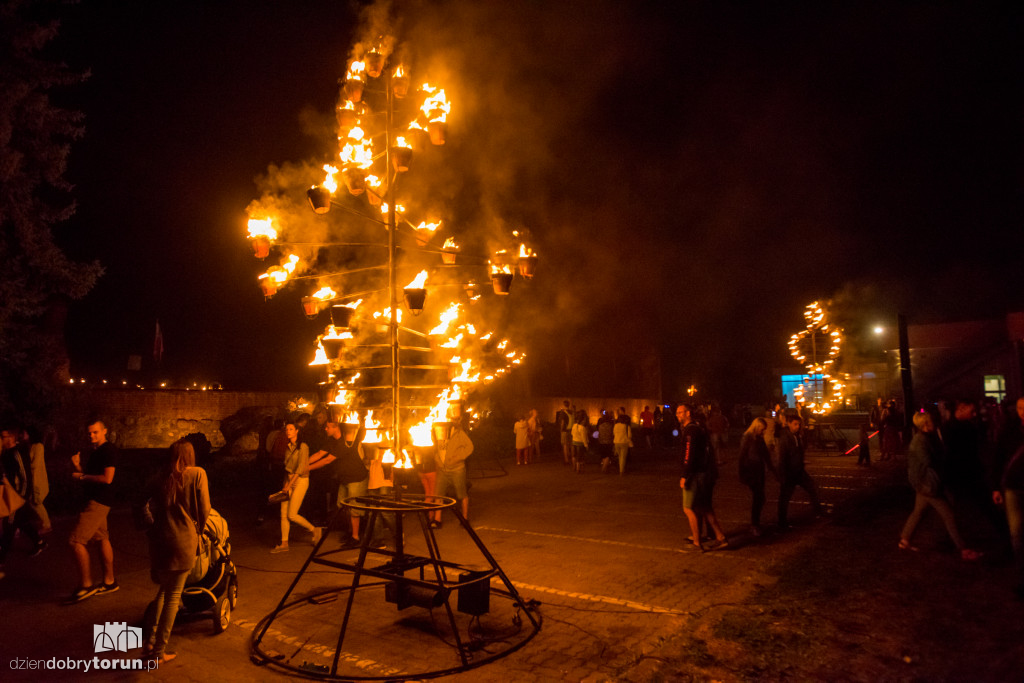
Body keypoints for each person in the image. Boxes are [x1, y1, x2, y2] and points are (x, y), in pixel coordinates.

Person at [142, 439, 211, 664]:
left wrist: (149, 524)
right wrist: (199, 528)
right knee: (173, 597)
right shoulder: (198, 474)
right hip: (183, 541)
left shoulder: (158, 478)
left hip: (160, 540)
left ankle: (150, 641)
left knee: (163, 591)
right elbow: (205, 507)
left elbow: (138, 503)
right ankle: (159, 652)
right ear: (190, 456)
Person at [899, 411, 981, 560]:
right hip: (928, 485)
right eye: (931, 422)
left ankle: (905, 540)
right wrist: (943, 456)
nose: (934, 424)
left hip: (923, 484)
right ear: (925, 425)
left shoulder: (925, 437)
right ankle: (964, 549)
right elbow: (929, 461)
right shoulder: (921, 441)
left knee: (918, 512)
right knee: (949, 515)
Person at [65, 419, 118, 603]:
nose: (91, 436)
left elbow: (107, 479)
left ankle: (86, 585)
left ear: (105, 431)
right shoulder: (96, 452)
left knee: (75, 541)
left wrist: (81, 475)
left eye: (95, 432)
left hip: (98, 502)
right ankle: (110, 582)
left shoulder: (108, 450)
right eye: (89, 433)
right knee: (101, 538)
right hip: (96, 500)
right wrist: (78, 467)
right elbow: (88, 478)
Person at [677, 405, 727, 551]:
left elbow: (688, 454)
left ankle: (697, 542)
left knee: (688, 508)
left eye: (680, 412)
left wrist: (684, 475)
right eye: (677, 413)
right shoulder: (698, 428)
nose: (678, 415)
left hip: (695, 474)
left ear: (687, 413)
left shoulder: (691, 431)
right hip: (704, 472)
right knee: (704, 507)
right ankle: (720, 537)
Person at [271, 421, 321, 553]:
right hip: (287, 480)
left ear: (297, 431)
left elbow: (300, 468)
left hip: (300, 480)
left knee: (292, 514)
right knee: (283, 514)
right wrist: (286, 483)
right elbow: (287, 466)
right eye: (287, 429)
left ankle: (313, 529)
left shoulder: (303, 446)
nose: (288, 431)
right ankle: (284, 543)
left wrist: (289, 484)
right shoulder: (288, 446)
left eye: (291, 429)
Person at [992, 396, 1024, 598]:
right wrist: (995, 487)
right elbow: (998, 458)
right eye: (1021, 407)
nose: (1023, 411)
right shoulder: (1009, 430)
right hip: (1013, 488)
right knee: (1017, 535)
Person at [1, 426, 46, 562]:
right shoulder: (5, 453)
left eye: (4, 437)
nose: (2, 439)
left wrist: (22, 496)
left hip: (18, 495)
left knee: (9, 524)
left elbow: (25, 476)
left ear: (12, 437)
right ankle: (39, 542)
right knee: (21, 521)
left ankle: (2, 556)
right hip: (10, 494)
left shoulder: (17, 453)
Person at [775, 415, 823, 530]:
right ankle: (781, 522)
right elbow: (781, 457)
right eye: (795, 424)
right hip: (790, 472)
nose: (798, 426)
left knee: (812, 488)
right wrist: (782, 474)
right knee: (785, 497)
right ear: (789, 424)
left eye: (799, 424)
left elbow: (799, 451)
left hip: (799, 470)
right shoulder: (785, 438)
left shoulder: (797, 435)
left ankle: (818, 511)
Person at [737, 417, 777, 536]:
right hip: (751, 471)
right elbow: (741, 456)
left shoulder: (759, 439)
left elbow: (765, 455)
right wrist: (742, 473)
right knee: (759, 497)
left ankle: (756, 523)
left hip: (759, 471)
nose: (763, 432)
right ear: (756, 427)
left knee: (759, 498)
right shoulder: (748, 437)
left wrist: (772, 469)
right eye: (762, 429)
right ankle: (754, 524)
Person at [436, 419, 474, 521]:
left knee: (462, 494)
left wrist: (458, 457)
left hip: (457, 469)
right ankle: (437, 519)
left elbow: (470, 447)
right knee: (439, 494)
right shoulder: (438, 432)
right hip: (442, 469)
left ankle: (464, 518)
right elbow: (435, 449)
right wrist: (438, 460)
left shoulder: (459, 434)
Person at [19, 428, 51, 534]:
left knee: (36, 503)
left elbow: (35, 464)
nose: (22, 434)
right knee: (33, 503)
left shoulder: (38, 446)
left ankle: (47, 524)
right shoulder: (30, 446)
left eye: (24, 432)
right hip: (31, 480)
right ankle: (44, 523)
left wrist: (23, 468)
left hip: (37, 480)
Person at [613, 410, 632, 475]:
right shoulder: (626, 426)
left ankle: (620, 469)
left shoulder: (615, 426)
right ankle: (621, 471)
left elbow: (614, 433)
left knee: (620, 457)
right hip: (624, 442)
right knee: (623, 457)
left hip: (616, 442)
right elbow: (629, 436)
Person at [556, 401, 573, 465]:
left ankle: (566, 460)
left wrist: (561, 430)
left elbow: (562, 422)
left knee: (565, 445)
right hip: (571, 430)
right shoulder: (571, 412)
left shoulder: (563, 413)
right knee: (571, 445)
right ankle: (572, 458)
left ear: (563, 405)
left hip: (565, 431)